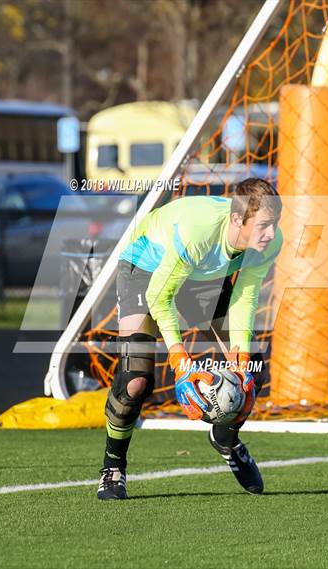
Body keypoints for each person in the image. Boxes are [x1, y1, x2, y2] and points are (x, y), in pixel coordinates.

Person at [97, 178, 282, 500]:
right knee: (135, 382)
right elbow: (160, 296)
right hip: (146, 270)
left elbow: (246, 296)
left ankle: (225, 437)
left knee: (251, 367)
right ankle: (113, 467)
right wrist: (179, 357)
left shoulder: (270, 241)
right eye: (264, 225)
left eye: (274, 224)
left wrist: (239, 355)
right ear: (238, 220)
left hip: (203, 277)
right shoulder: (199, 229)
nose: (271, 233)